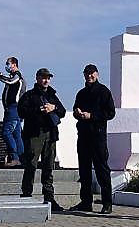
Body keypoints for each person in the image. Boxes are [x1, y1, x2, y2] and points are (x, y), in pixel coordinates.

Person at [17, 68, 66, 212]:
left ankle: (49, 198)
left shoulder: (52, 95)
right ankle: (26, 195)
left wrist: (53, 107)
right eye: (44, 78)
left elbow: (62, 111)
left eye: (48, 78)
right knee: (31, 165)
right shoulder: (29, 95)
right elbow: (21, 112)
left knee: (48, 166)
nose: (46, 80)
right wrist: (39, 110)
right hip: (34, 134)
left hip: (50, 134)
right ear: (37, 78)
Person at [71, 63, 116, 214]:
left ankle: (107, 203)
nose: (89, 76)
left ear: (97, 74)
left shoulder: (104, 91)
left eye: (92, 73)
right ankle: (86, 202)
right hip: (83, 136)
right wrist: (77, 112)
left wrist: (92, 116)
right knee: (84, 171)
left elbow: (110, 113)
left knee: (102, 170)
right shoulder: (81, 93)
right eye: (87, 73)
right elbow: (75, 109)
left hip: (98, 136)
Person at [0, 57, 26, 166]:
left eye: (8, 64)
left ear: (14, 64)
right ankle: (21, 158)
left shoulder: (17, 76)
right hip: (13, 109)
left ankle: (14, 157)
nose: (6, 66)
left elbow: (9, 81)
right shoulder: (14, 77)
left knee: (6, 133)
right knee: (17, 135)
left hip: (13, 109)